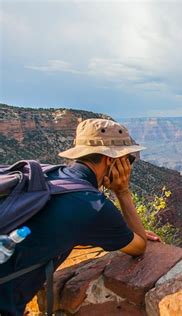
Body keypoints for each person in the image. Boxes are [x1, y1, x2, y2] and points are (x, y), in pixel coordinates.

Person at [0, 118, 160, 315]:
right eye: (128, 159)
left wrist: (115, 231)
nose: (129, 165)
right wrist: (123, 191)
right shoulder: (92, 205)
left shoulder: (51, 174)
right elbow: (139, 246)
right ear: (111, 159)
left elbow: (51, 226)